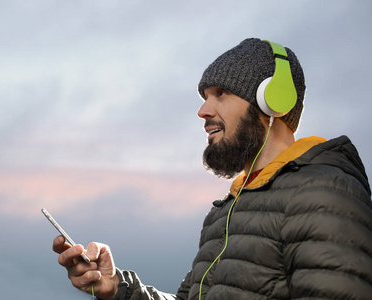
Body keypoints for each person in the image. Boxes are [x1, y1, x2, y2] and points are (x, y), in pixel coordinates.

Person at [51, 38, 372, 299]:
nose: (203, 110)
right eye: (205, 97)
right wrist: (117, 288)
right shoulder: (228, 211)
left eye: (221, 94)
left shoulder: (323, 193)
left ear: (274, 100)